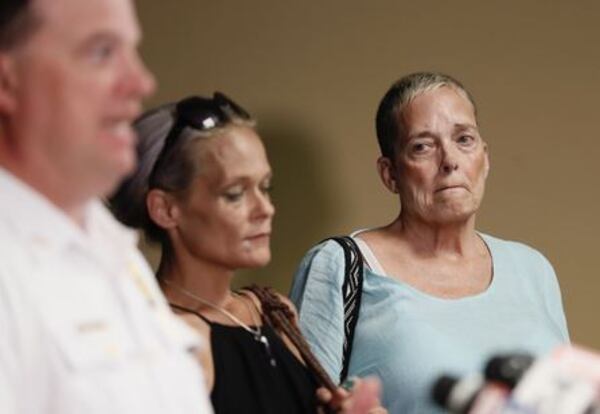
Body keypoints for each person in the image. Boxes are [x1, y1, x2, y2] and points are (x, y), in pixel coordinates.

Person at [290, 72, 569, 414]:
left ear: (485, 157)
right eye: (422, 146)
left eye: (463, 139)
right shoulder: (341, 266)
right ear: (390, 174)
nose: (450, 161)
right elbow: (297, 405)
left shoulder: (533, 269)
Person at [110, 93, 386, 414]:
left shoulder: (272, 311)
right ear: (166, 209)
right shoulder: (167, 341)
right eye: (235, 194)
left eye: (265, 187)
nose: (265, 209)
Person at [0, 0, 213, 413]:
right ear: (8, 83)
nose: (141, 81)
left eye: (132, 51)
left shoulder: (110, 248)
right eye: (102, 52)